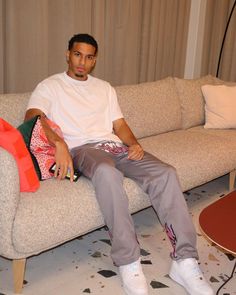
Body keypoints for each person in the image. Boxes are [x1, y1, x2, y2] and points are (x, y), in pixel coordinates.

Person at [25, 33, 214, 295]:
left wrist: (134, 144)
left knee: (165, 173)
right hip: (83, 149)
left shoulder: (104, 88)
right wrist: (58, 143)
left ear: (95, 60)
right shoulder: (50, 86)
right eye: (77, 54)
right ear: (67, 54)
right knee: (106, 172)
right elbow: (33, 116)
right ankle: (129, 260)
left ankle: (185, 261)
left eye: (89, 57)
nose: (82, 62)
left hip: (115, 146)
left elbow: (120, 125)